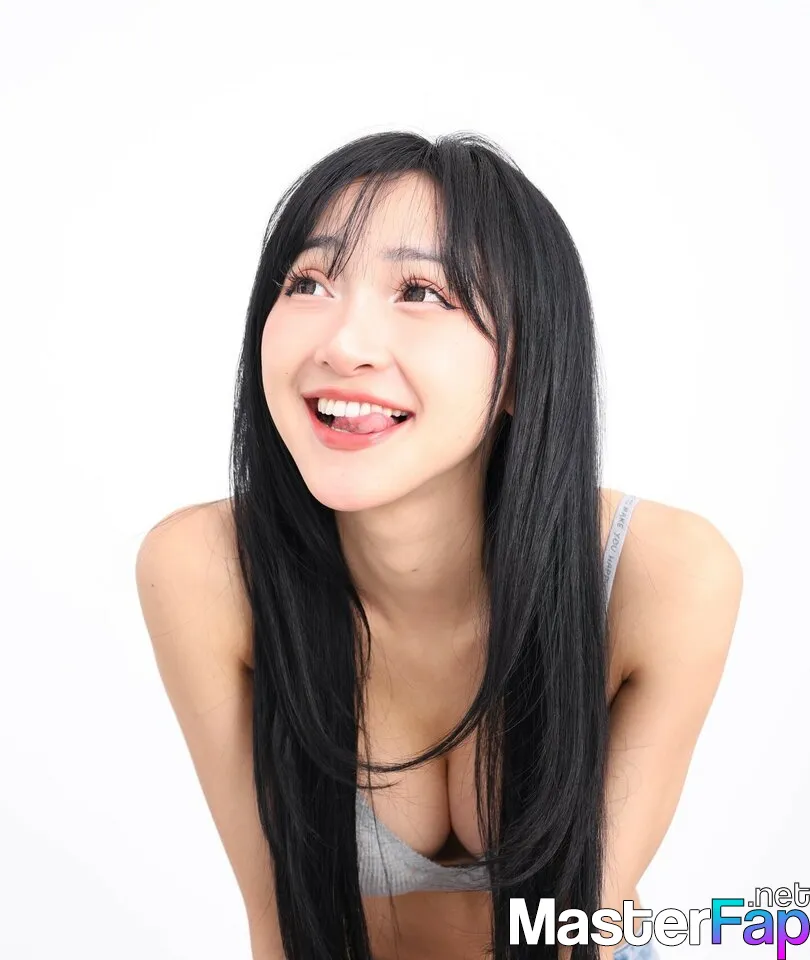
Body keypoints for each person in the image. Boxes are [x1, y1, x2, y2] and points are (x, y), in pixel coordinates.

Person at [135, 131, 744, 960]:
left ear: (522, 366)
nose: (342, 345)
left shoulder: (666, 575)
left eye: (420, 291)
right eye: (308, 282)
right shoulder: (204, 572)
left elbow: (584, 928)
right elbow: (279, 924)